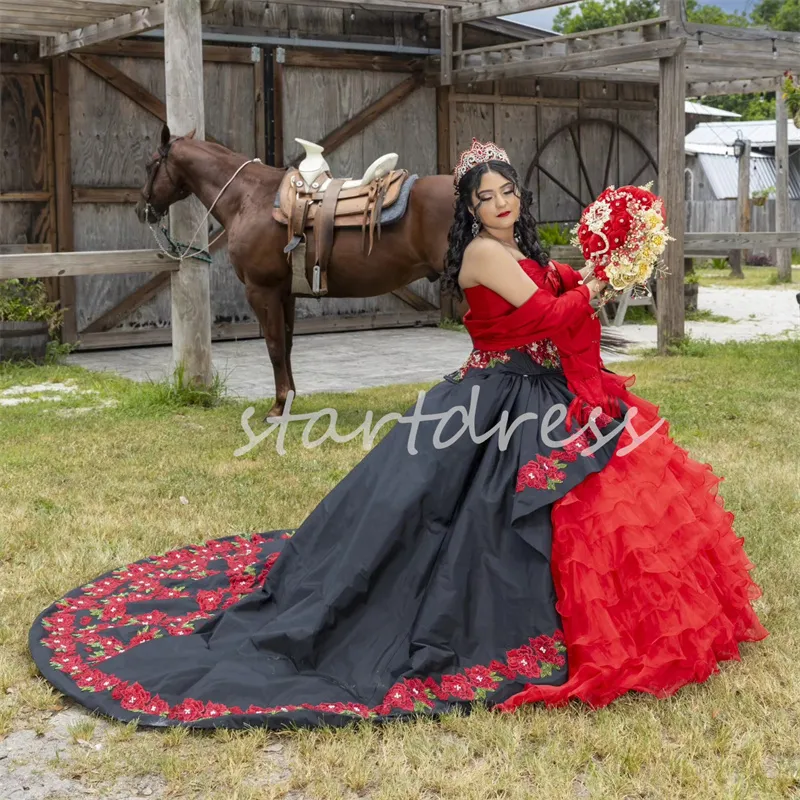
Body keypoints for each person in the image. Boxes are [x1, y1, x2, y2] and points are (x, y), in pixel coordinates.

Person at [28, 139, 767, 730]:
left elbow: (552, 292)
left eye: (508, 193)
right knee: (456, 523)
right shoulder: (480, 253)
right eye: (486, 198)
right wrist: (605, 281)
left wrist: (601, 260)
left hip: (539, 391)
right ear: (469, 211)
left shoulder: (519, 251)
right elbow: (547, 320)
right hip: (498, 395)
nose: (502, 205)